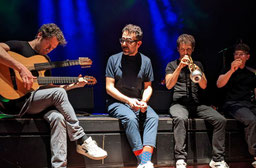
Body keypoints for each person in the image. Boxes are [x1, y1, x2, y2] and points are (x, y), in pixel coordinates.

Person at [0, 23, 107, 168]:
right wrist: (20, 68)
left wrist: (75, 84)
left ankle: (59, 166)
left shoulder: (45, 60)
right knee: (58, 94)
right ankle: (82, 139)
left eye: (53, 48)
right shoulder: (19, 46)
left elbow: (49, 90)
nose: (49, 50)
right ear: (40, 36)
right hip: (17, 101)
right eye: (48, 45)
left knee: (58, 117)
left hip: (37, 102)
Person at [165, 34, 229, 168]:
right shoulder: (171, 65)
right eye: (183, 49)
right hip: (179, 104)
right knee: (180, 119)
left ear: (193, 49)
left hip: (197, 104)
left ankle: (217, 159)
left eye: (188, 49)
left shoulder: (198, 64)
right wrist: (179, 68)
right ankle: (180, 159)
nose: (185, 53)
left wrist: (196, 69)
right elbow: (169, 85)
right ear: (178, 49)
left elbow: (204, 85)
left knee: (220, 120)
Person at [105, 24, 159, 168]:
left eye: (129, 41)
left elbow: (148, 87)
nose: (124, 44)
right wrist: (128, 101)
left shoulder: (145, 61)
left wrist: (143, 101)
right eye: (122, 40)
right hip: (117, 102)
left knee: (153, 117)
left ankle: (146, 160)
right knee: (130, 118)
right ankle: (142, 161)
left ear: (138, 43)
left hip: (137, 101)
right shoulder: (113, 59)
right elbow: (109, 87)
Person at [216, 43, 256, 168]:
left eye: (241, 54)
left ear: (247, 57)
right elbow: (219, 84)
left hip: (248, 104)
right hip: (232, 103)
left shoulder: (251, 73)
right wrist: (231, 71)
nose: (238, 56)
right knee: (251, 120)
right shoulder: (227, 69)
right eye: (236, 54)